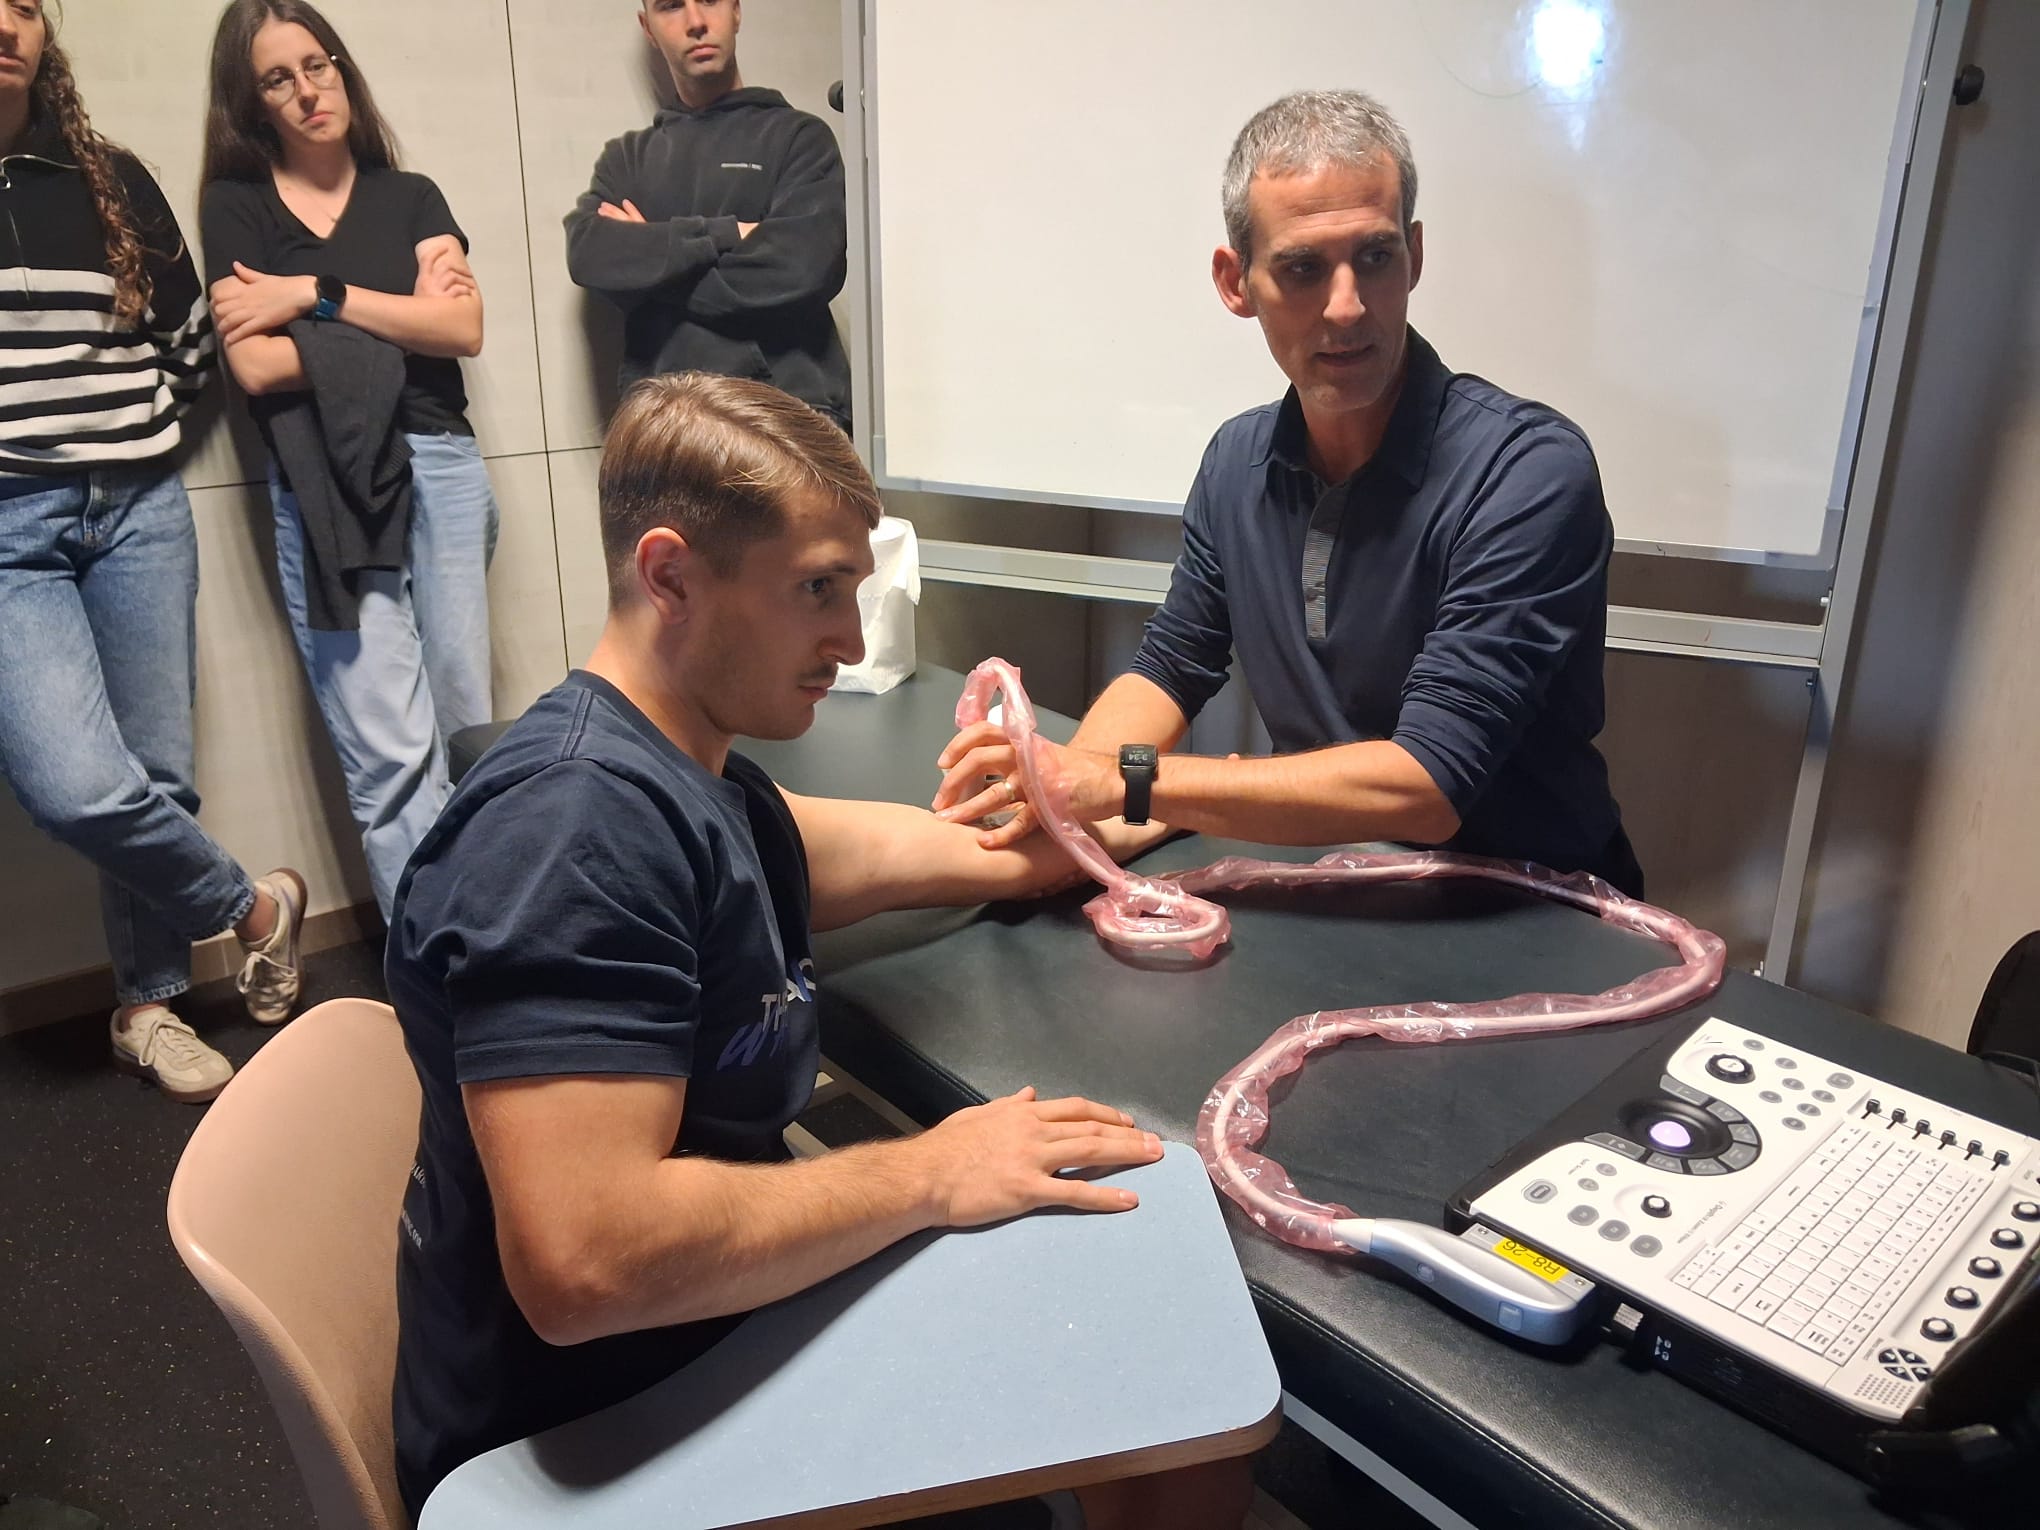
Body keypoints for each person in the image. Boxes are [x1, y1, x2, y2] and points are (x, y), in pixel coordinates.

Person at [385, 375, 1252, 1529]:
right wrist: (925, 1173)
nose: (849, 638)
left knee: (1131, 1316)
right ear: (669, 576)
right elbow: (585, 1267)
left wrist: (1158, 793)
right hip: (593, 1434)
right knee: (1149, 1373)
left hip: (686, 1343)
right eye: (816, 590)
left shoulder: (700, 788)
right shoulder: (574, 833)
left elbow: (975, 855)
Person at [934, 90, 1642, 896]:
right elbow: (1171, 666)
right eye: (1303, 268)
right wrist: (1059, 789)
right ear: (1235, 282)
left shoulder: (1527, 472)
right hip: (1336, 885)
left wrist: (1123, 779)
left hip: (1538, 916)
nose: (1347, 306)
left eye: (1375, 257)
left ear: (1414, 256)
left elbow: (1429, 784)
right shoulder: (1236, 463)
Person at [0, 0, 306, 1104]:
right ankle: (258, 910)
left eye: (25, 4)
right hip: (8, 529)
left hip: (137, 509)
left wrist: (137, 434)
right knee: (79, 789)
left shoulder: (109, 177)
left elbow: (185, 340)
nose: (7, 23)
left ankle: (148, 1007)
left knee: (160, 777)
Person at [199, 0, 499, 920]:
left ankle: (500, 951)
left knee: (468, 734)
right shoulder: (238, 206)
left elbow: (463, 326)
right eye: (276, 78)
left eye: (316, 65)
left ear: (341, 68)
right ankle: (435, 971)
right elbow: (255, 367)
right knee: (391, 759)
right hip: (325, 484)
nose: (306, 90)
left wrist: (314, 295)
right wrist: (399, 318)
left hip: (442, 466)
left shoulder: (411, 195)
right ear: (251, 103)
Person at [564, 0, 851, 430]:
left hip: (790, 415)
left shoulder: (800, 138)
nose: (696, 21)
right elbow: (590, 254)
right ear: (648, 28)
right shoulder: (627, 158)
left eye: (711, 1)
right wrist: (729, 233)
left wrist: (653, 269)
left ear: (736, 10)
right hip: (664, 424)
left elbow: (804, 268)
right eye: (671, 6)